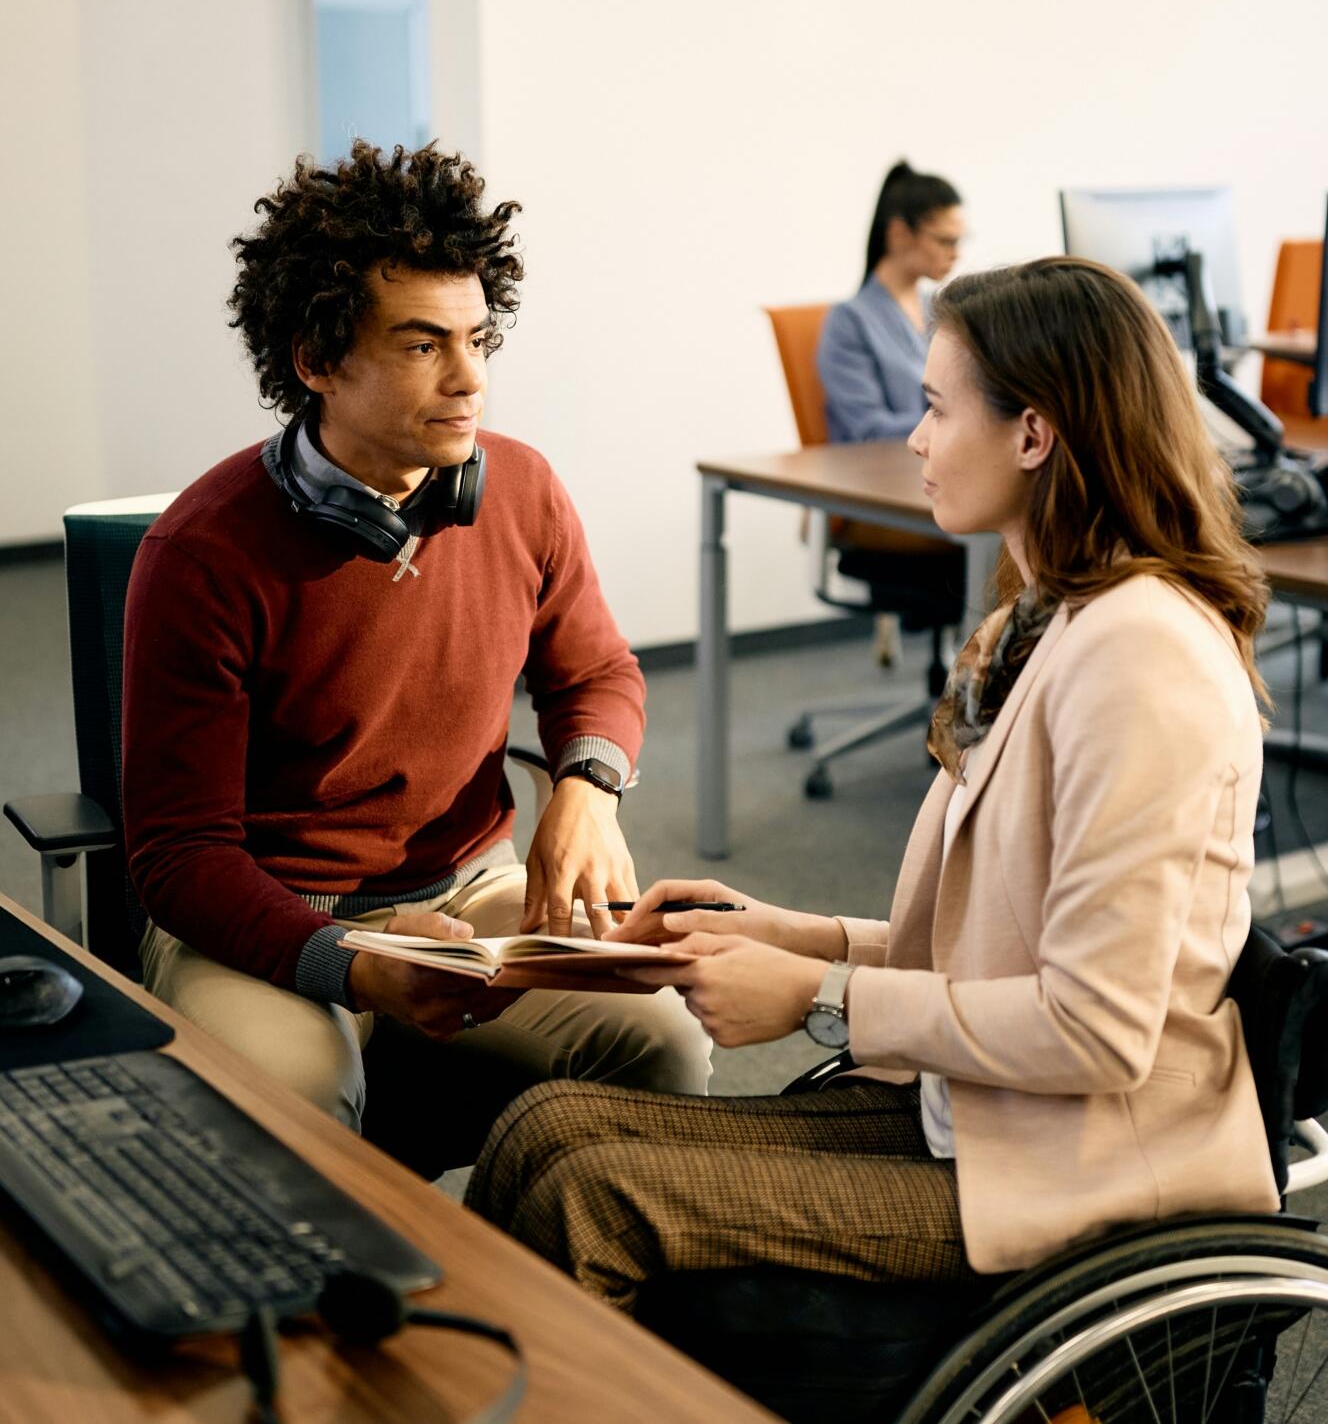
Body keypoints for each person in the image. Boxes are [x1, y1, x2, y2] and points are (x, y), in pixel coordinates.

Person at [466, 257, 1280, 1313]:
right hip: (981, 1115)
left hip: (1075, 1170)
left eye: (936, 409)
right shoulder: (1037, 623)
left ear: (1033, 435)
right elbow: (994, 946)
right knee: (544, 1129)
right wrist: (777, 933)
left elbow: (1097, 1029)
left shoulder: (1143, 660)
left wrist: (821, 1000)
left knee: (591, 1195)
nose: (916, 438)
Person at [121, 140, 709, 1145]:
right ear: (315, 362)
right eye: (421, 345)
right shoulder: (202, 553)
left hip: (469, 893)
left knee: (659, 1043)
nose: (469, 380)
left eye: (479, 339)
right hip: (268, 913)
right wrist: (347, 960)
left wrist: (585, 787)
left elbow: (598, 672)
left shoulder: (521, 490)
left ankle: (551, 1273)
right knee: (295, 1098)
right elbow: (180, 857)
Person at [817, 161, 965, 443]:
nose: (956, 254)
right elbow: (868, 429)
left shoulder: (941, 309)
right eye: (945, 241)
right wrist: (960, 420)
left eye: (959, 241)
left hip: (936, 467)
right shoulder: (849, 321)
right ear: (898, 234)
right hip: (881, 473)